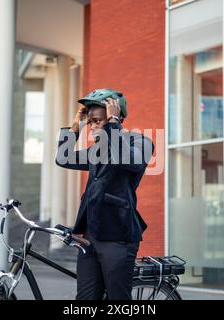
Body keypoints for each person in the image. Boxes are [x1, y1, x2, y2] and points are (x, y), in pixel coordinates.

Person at [55, 88, 154, 300]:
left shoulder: (141, 143)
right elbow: (64, 158)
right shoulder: (95, 151)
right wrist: (76, 125)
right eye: (91, 122)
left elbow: (127, 160)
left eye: (99, 121)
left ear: (118, 118)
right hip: (90, 236)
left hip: (118, 236)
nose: (93, 127)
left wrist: (112, 123)